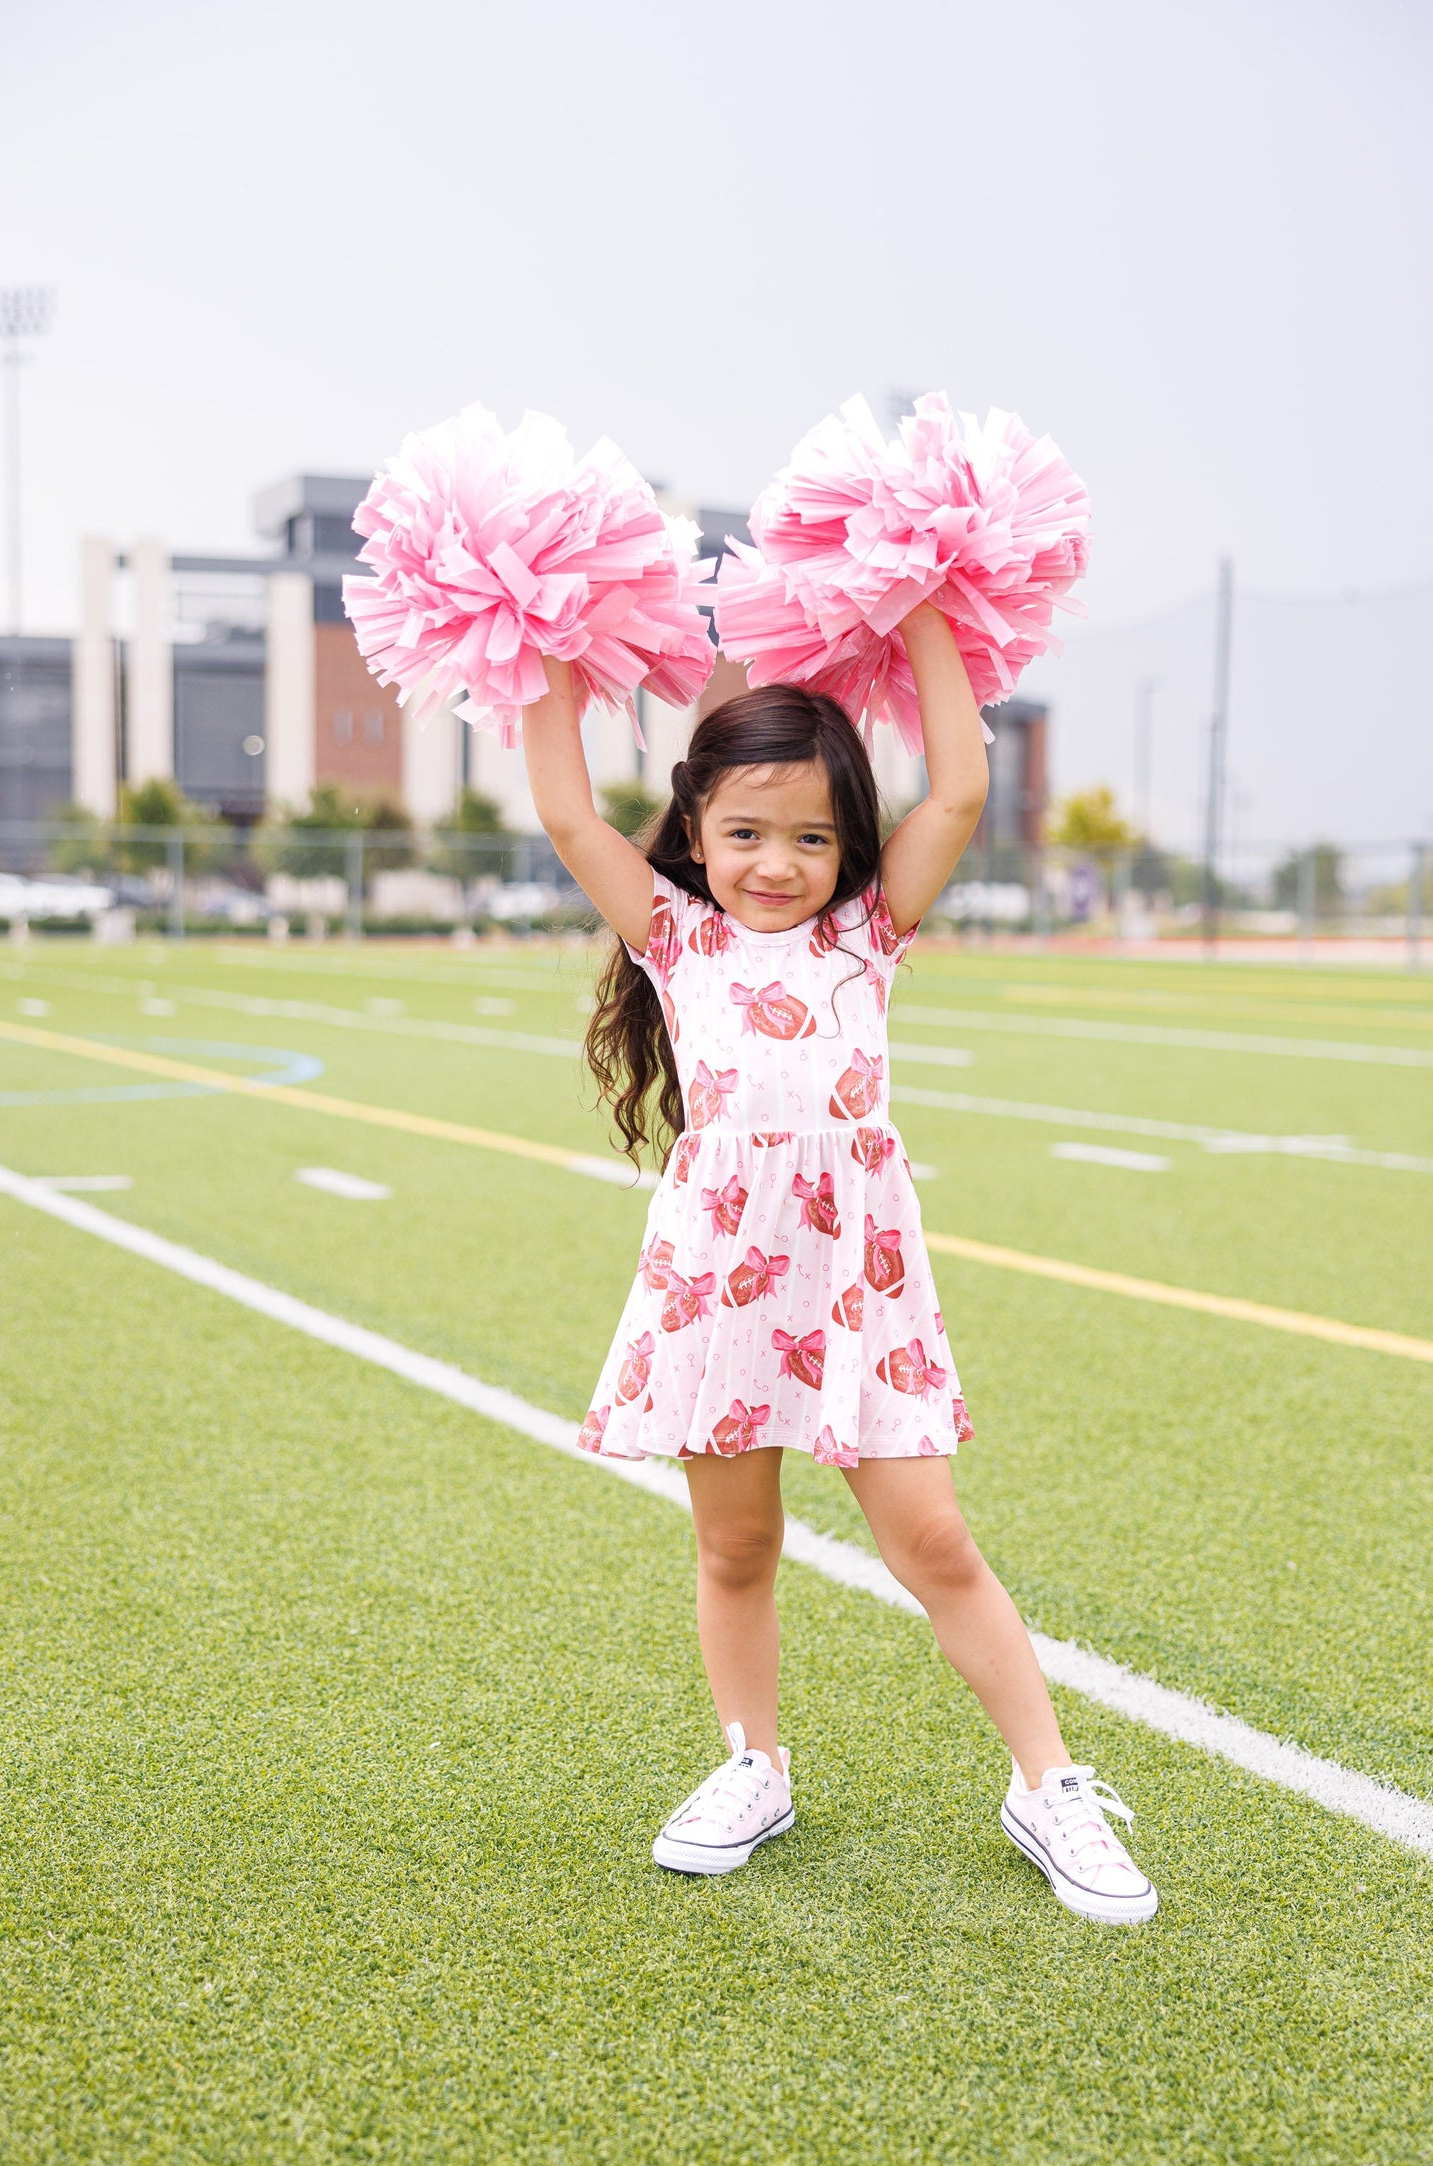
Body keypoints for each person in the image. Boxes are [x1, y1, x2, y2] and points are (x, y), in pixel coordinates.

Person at [521, 607, 1157, 1925]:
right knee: (736, 1542)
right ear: (694, 832)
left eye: (810, 836)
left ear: (848, 845)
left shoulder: (867, 935)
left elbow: (963, 782)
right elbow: (568, 808)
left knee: (931, 1535)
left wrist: (924, 603)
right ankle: (753, 1762)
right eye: (745, 833)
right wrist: (542, 650)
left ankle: (1047, 1784)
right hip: (722, 1279)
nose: (775, 863)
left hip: (855, 1285)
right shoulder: (676, 938)